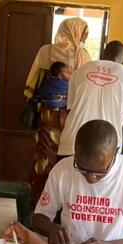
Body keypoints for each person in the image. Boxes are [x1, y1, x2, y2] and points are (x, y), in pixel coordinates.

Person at [25, 18, 91, 204]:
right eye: (84, 32)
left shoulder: (46, 51)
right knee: (67, 159)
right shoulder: (81, 55)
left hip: (47, 115)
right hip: (70, 116)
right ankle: (60, 205)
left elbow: (32, 81)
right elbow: (86, 85)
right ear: (75, 32)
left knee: (43, 157)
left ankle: (37, 200)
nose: (86, 35)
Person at [57, 40, 123, 158]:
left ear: (101, 56)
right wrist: (116, 159)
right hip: (105, 153)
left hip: (71, 145)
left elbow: (70, 112)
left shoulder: (79, 72)